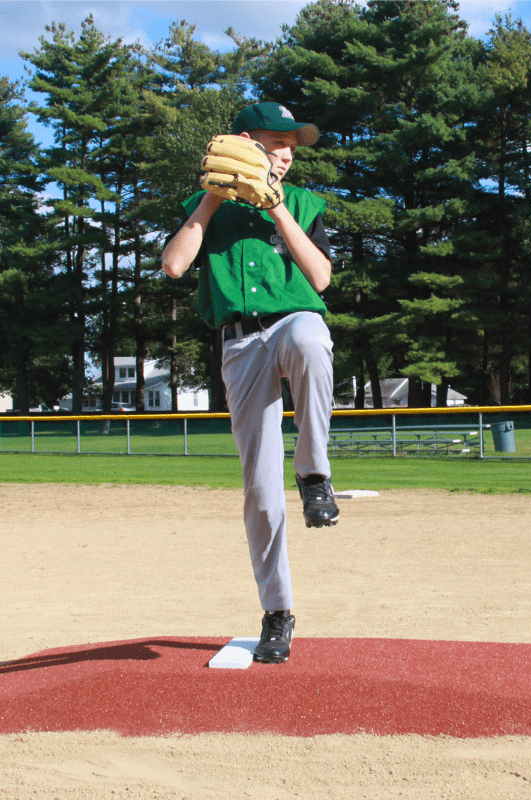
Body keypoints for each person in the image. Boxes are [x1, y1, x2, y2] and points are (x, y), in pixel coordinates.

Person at [161, 101, 339, 664]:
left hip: (292, 321)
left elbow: (321, 278)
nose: (286, 155)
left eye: (292, 147)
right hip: (240, 344)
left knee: (312, 339)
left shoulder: (305, 203)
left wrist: (281, 211)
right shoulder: (203, 207)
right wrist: (211, 200)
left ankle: (314, 474)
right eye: (275, 143)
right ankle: (278, 611)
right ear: (243, 143)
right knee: (261, 494)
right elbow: (172, 266)